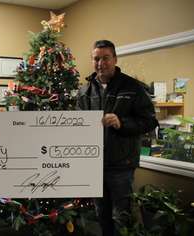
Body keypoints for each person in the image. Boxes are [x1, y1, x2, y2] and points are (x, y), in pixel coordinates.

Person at [76, 40, 158, 235]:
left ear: (115, 59)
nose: (100, 63)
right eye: (96, 58)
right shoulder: (84, 91)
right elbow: (78, 125)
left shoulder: (133, 88)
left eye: (105, 58)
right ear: (92, 60)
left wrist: (122, 123)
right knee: (101, 215)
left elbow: (149, 122)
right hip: (94, 165)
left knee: (123, 216)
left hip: (121, 166)